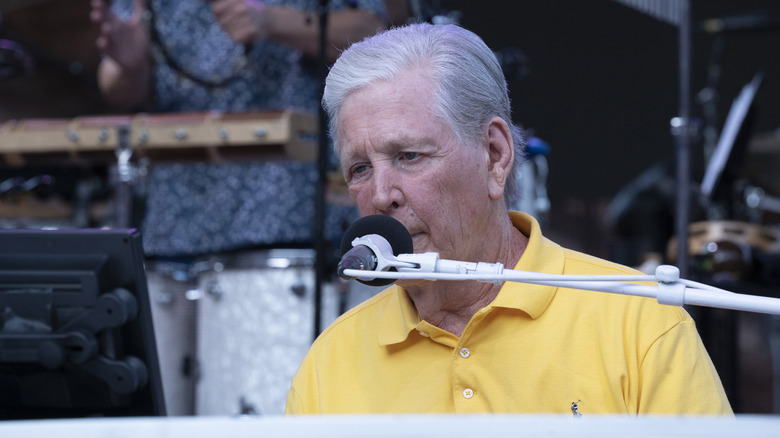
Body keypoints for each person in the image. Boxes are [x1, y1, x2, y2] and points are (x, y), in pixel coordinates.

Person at [284, 23, 732, 415]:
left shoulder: (639, 322)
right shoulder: (329, 364)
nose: (382, 195)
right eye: (360, 169)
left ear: (495, 156)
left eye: (409, 156)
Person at [90, 0, 387, 256]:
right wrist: (130, 68)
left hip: (289, 214)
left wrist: (270, 20)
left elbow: (372, 32)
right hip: (174, 219)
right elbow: (116, 88)